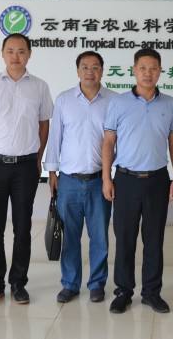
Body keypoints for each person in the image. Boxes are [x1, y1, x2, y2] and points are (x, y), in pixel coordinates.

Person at [101, 48, 173, 314]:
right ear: (134, 70)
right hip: (126, 180)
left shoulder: (169, 104)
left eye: (153, 68)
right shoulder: (118, 103)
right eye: (143, 68)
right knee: (125, 238)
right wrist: (106, 177)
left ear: (160, 71)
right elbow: (109, 142)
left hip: (158, 180)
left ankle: (151, 292)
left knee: (154, 238)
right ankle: (123, 291)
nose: (148, 73)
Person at [0, 33, 53, 305]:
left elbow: (44, 125)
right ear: (2, 54)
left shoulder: (39, 87)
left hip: (26, 167)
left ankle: (18, 283)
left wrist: (38, 158)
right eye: (10, 51)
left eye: (21, 51)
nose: (15, 56)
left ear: (29, 54)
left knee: (23, 226)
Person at [45, 51, 116, 304]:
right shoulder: (64, 100)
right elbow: (55, 138)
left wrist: (111, 176)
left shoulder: (114, 101)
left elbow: (117, 141)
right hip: (69, 181)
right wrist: (51, 172)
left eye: (95, 67)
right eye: (85, 67)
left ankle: (97, 284)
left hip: (99, 180)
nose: (90, 72)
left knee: (100, 237)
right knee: (70, 236)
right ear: (77, 71)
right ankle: (70, 284)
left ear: (102, 71)